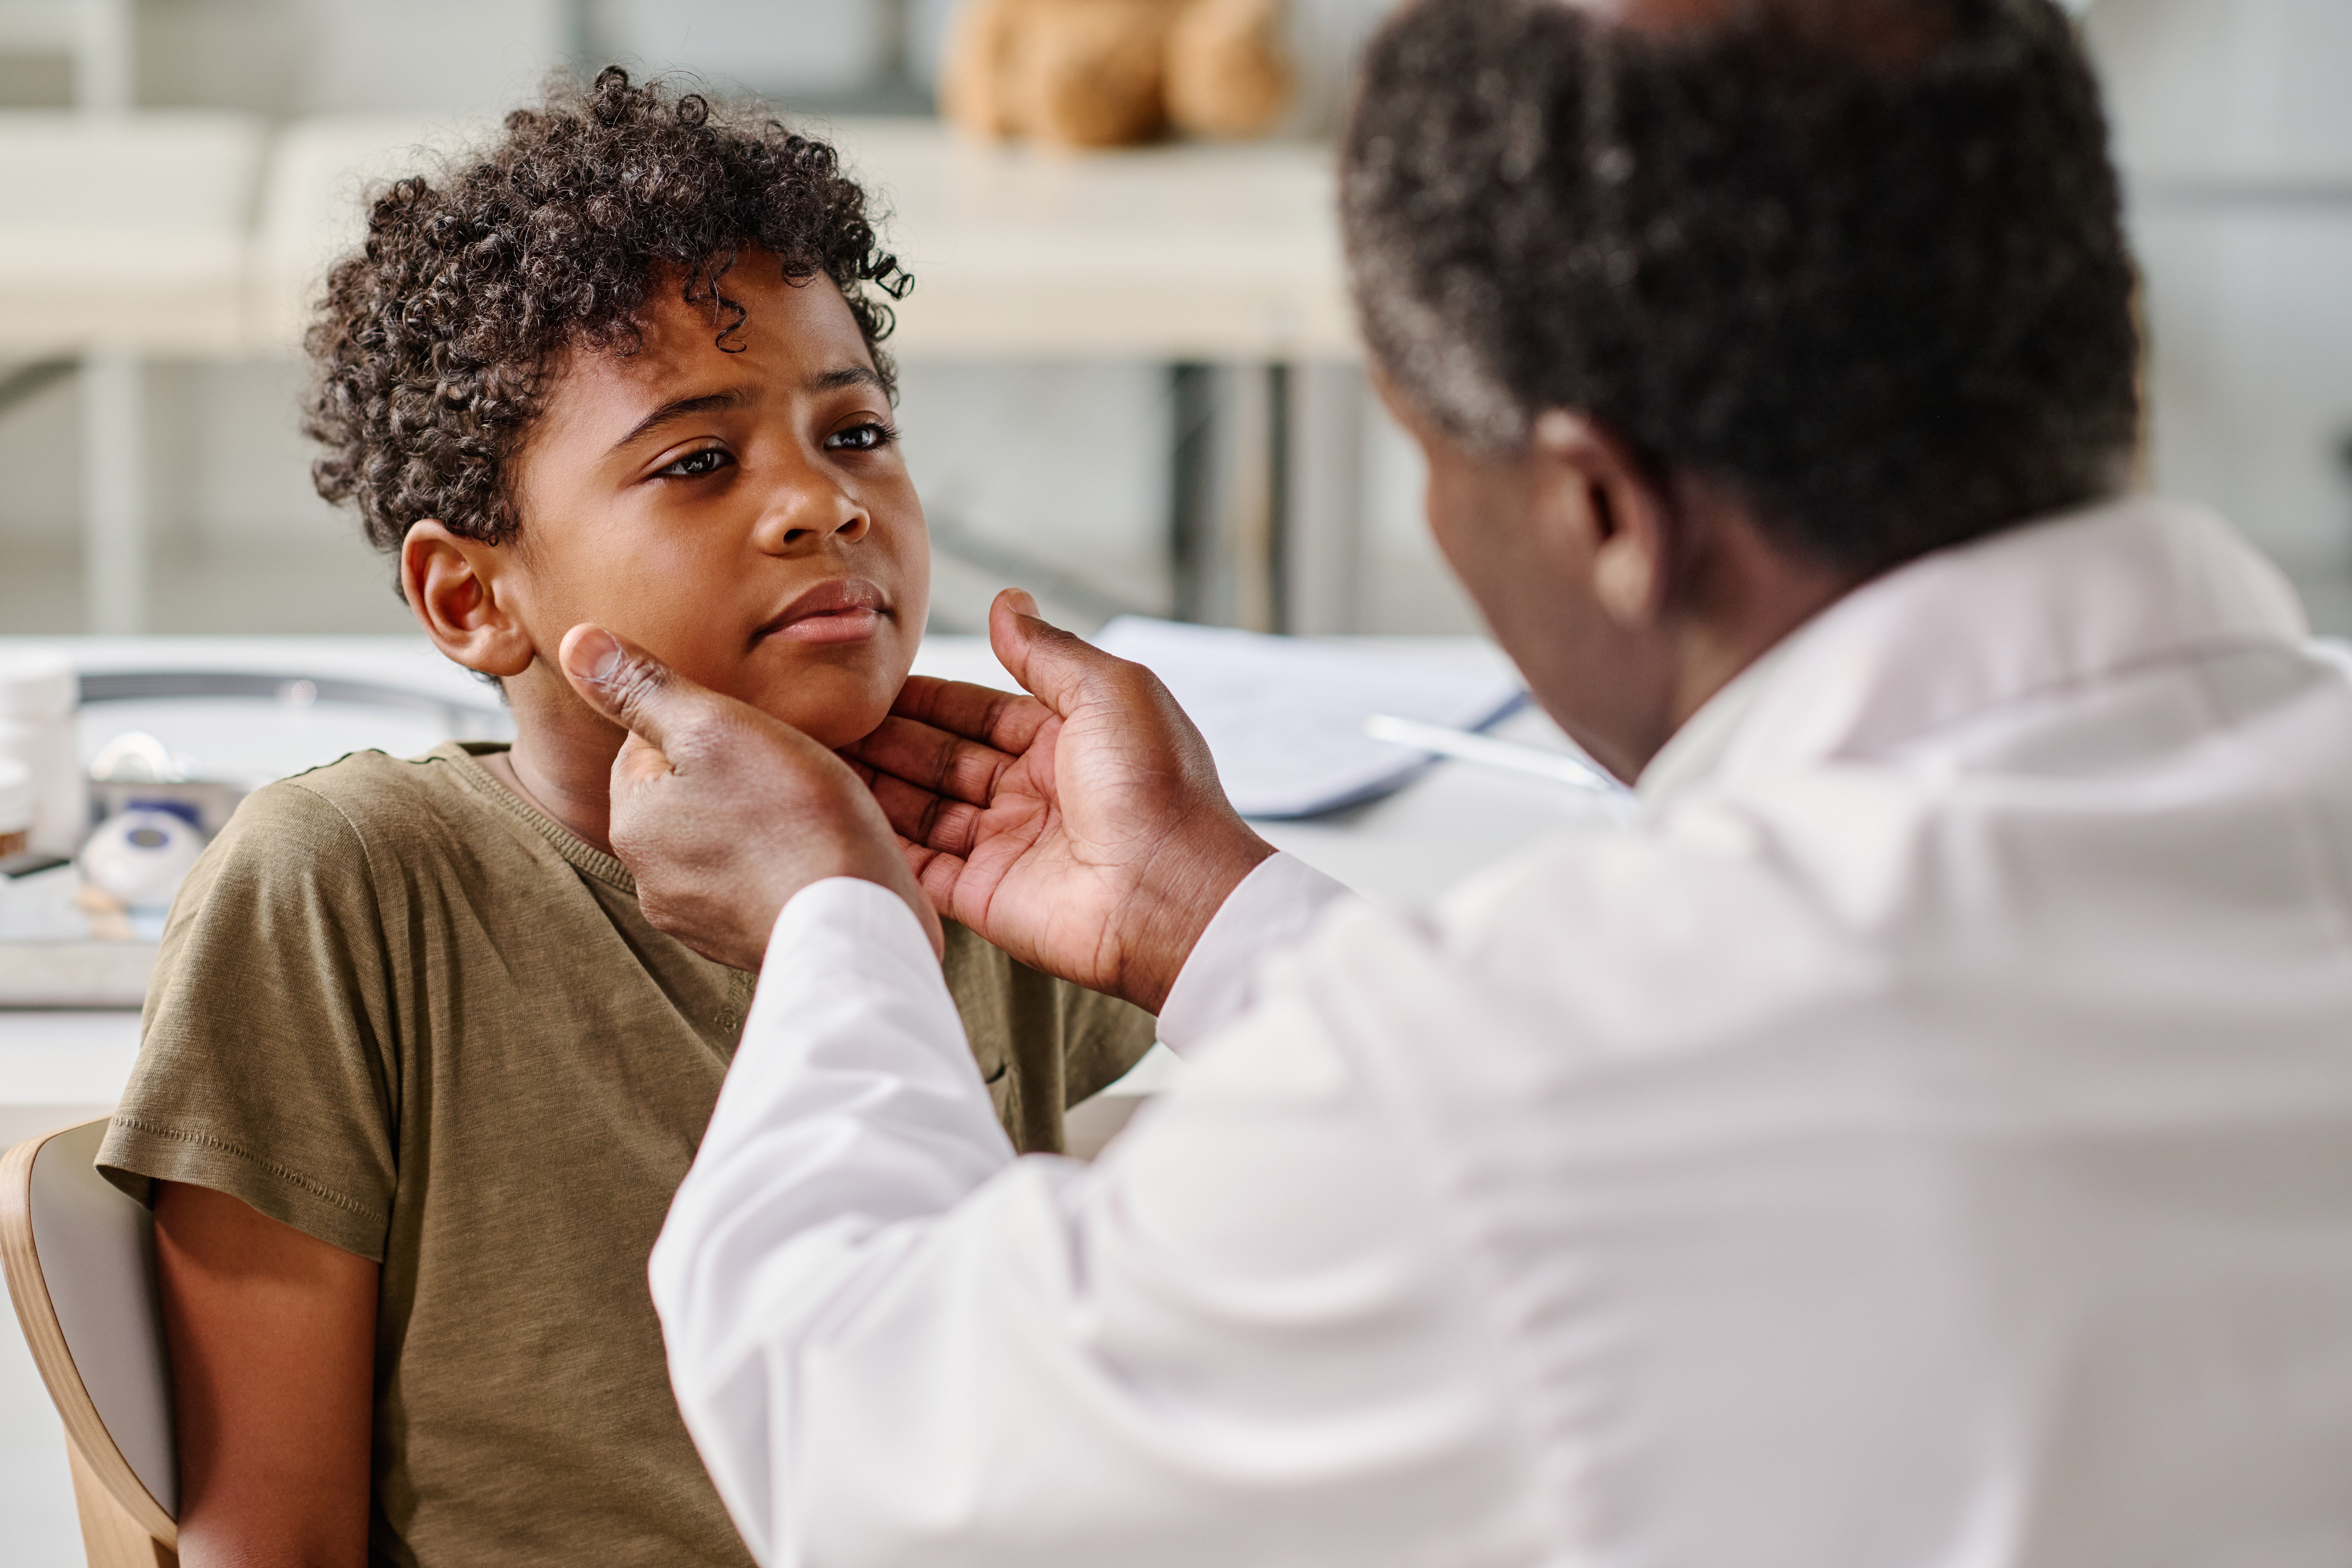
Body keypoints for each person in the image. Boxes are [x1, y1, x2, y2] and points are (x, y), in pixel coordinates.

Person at [556, 1, 2352, 1564]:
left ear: (1599, 513)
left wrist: (834, 919)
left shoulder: (1526, 1095)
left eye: (1435, 466)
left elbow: (877, 1448)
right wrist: (1221, 921)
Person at [93, 71, 1155, 1568]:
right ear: (473, 597)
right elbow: (268, 1541)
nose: (823, 505)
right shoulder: (350, 892)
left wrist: (1182, 900)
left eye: (854, 434)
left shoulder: (992, 862)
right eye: (700, 462)